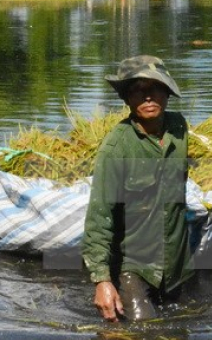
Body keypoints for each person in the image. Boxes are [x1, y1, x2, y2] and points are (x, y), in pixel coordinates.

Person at [82, 55, 194, 322]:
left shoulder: (179, 128)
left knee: (182, 325)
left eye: (154, 87)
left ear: (167, 91)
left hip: (176, 264)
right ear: (127, 100)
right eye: (137, 90)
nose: (147, 97)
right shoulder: (116, 148)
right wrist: (101, 281)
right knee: (144, 328)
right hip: (135, 265)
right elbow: (99, 217)